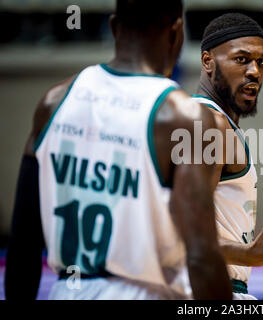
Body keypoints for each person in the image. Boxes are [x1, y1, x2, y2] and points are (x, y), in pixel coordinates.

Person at [5, 0, 232, 300]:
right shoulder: (182, 117)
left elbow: (23, 244)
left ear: (114, 27)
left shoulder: (53, 102)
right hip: (143, 292)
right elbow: (202, 256)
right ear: (177, 32)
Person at [191, 13, 263, 299]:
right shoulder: (209, 124)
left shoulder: (211, 122)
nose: (255, 71)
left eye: (262, 62)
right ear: (208, 61)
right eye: (242, 59)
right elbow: (184, 236)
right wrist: (249, 255)